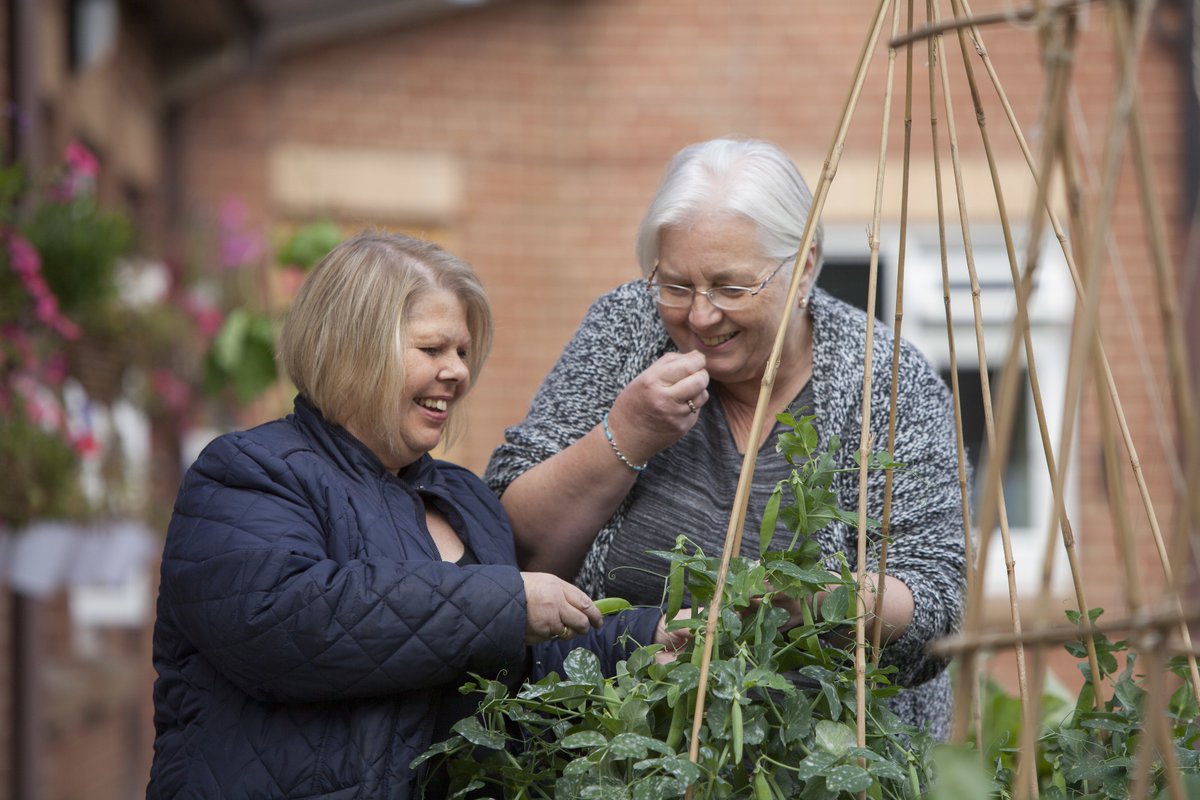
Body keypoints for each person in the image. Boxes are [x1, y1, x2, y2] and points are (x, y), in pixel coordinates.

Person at [148, 231, 682, 799]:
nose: (457, 372)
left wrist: (644, 636)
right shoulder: (251, 472)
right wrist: (506, 601)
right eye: (432, 350)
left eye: (462, 353)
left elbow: (514, 667)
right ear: (353, 349)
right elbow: (285, 620)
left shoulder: (465, 500)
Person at [485, 137, 967, 740]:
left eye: (731, 288)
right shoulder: (627, 330)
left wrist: (810, 599)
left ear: (807, 264)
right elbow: (509, 548)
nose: (701, 316)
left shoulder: (888, 383)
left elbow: (937, 600)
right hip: (610, 748)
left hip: (830, 762)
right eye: (677, 286)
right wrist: (624, 435)